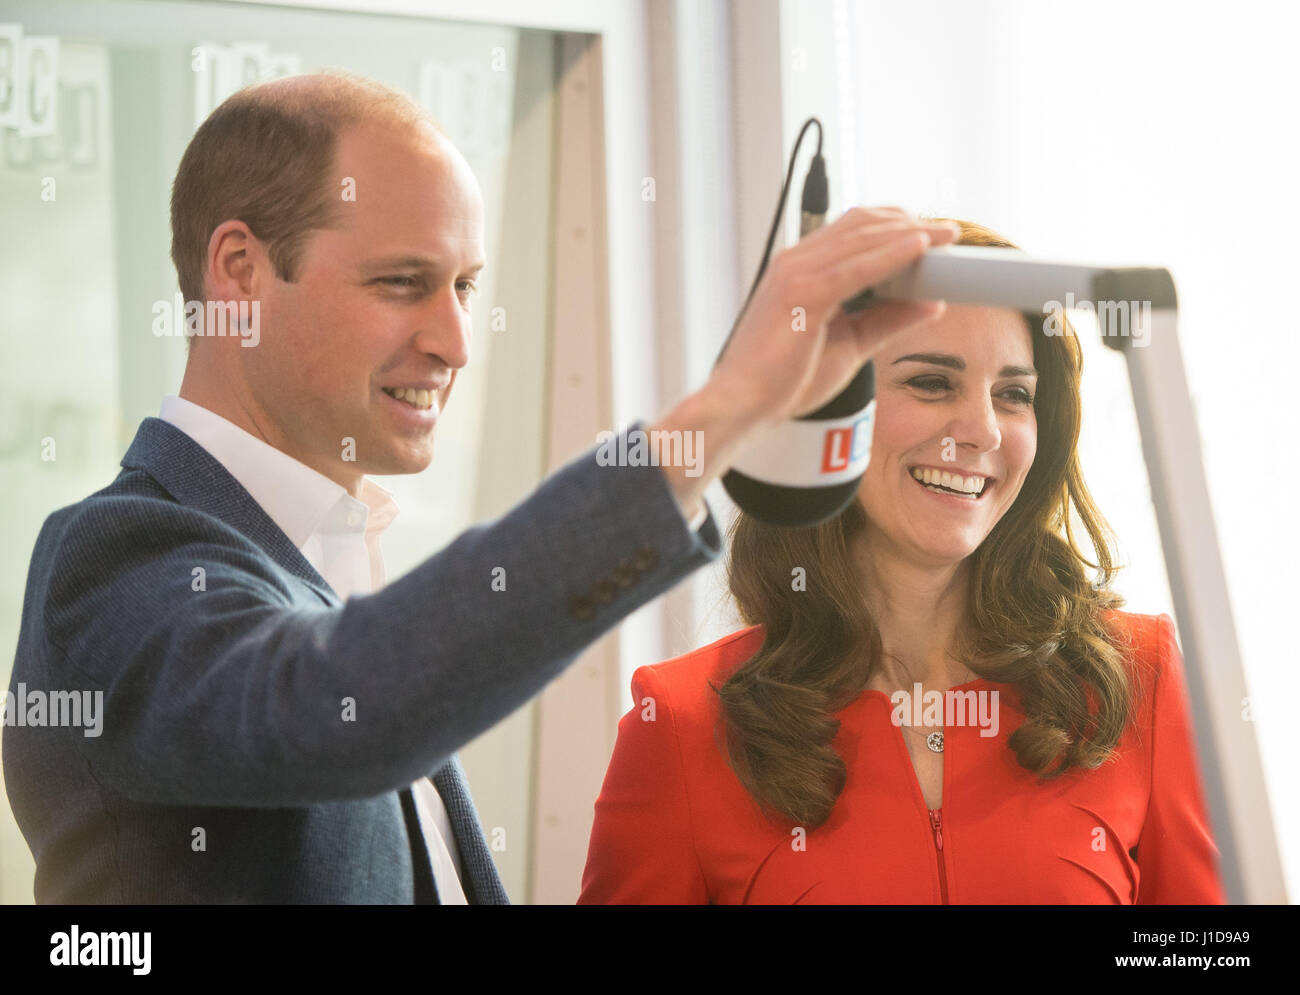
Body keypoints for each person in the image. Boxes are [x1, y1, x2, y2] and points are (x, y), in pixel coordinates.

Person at [2, 69, 961, 903]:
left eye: (464, 286)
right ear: (241, 273)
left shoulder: (325, 563)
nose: (455, 342)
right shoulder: (117, 559)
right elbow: (337, 705)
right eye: (401, 283)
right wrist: (720, 414)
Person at [578, 220, 1226, 905]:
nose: (980, 430)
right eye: (932, 383)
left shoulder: (1138, 675)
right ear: (829, 416)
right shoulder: (681, 725)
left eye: (1013, 394)